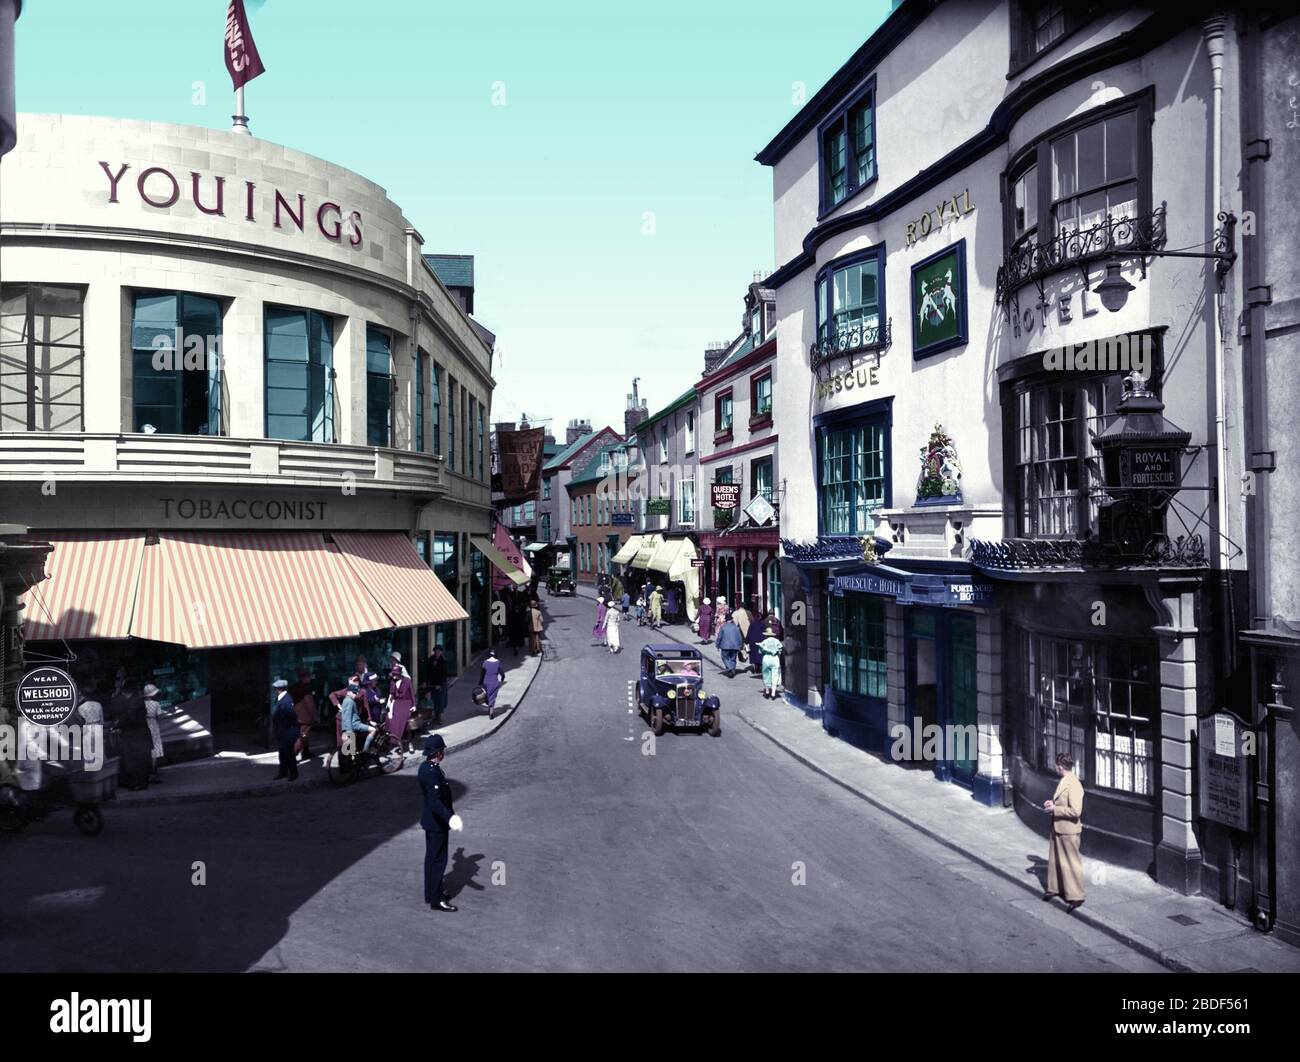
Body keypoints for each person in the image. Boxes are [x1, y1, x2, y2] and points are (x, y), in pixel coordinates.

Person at [419, 734, 463, 913]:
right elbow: (435, 801)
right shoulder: (431, 772)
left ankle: (431, 892)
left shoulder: (426, 767)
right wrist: (450, 818)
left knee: (431, 859)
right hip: (437, 824)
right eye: (442, 750)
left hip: (431, 822)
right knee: (438, 861)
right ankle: (436, 900)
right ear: (438, 753)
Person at [1043, 752, 1086, 911]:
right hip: (1058, 827)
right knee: (1055, 860)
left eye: (1056, 765)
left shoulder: (1074, 784)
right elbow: (1061, 801)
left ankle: (1077, 896)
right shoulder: (1064, 780)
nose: (1055, 767)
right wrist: (1051, 803)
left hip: (1069, 830)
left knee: (1071, 863)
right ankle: (1055, 888)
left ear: (1060, 766)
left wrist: (1055, 809)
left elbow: (1076, 811)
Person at [111, 671, 152, 791]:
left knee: (136, 760)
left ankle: (139, 783)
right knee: (139, 760)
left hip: (135, 736)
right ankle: (139, 782)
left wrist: (119, 724)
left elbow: (131, 718)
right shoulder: (136, 700)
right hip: (138, 735)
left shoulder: (135, 702)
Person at [333, 678, 376, 755]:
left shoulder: (350, 698)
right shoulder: (349, 700)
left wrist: (369, 719)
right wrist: (349, 731)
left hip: (351, 722)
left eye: (356, 693)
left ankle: (350, 760)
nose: (355, 694)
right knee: (373, 730)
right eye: (354, 692)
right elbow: (347, 717)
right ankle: (364, 752)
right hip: (351, 722)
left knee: (349, 748)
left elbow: (365, 706)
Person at [271, 678, 300, 781]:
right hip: (282, 732)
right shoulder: (281, 699)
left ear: (278, 689)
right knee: (282, 754)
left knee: (289, 754)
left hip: (287, 732)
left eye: (275, 689)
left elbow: (292, 717)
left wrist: (293, 733)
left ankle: (293, 774)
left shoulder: (286, 700)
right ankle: (282, 772)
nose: (274, 691)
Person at [387, 659, 416, 753]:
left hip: (406, 703)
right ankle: (397, 741)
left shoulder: (407, 681)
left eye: (396, 674)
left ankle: (409, 742)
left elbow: (412, 694)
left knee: (404, 720)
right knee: (392, 719)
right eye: (393, 674)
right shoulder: (392, 682)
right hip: (397, 703)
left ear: (400, 674)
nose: (394, 676)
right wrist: (389, 705)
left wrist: (414, 705)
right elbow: (392, 695)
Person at [290, 667, 317, 763]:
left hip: (296, 715)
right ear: (304, 678)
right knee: (302, 736)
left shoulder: (294, 687)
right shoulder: (306, 688)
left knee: (304, 736)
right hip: (304, 717)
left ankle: (306, 752)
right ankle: (292, 756)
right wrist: (314, 715)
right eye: (309, 676)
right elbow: (309, 703)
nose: (310, 678)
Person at [143, 683, 165, 783]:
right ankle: (153, 772)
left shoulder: (141, 704)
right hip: (153, 724)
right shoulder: (156, 704)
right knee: (155, 749)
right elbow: (159, 717)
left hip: (145, 726)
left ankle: (147, 772)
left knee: (146, 749)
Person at [757, 626, 784, 699]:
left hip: (766, 658)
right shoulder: (776, 641)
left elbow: (760, 651)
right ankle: (773, 692)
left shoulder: (764, 642)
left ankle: (767, 690)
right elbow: (780, 650)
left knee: (766, 674)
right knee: (775, 675)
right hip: (775, 658)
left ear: (766, 634)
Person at [424, 644, 448, 724]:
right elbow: (427, 672)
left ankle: (440, 717)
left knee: (440, 700)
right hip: (432, 683)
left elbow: (444, 674)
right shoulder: (430, 659)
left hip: (441, 684)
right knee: (433, 700)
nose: (437, 653)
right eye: (436, 651)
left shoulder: (443, 660)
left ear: (441, 652)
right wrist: (427, 682)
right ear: (434, 652)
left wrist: (439, 684)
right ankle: (434, 716)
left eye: (439, 651)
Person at [480, 649, 505, 716]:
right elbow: (501, 672)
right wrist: (502, 677)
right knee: (492, 696)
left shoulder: (485, 662)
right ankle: (491, 710)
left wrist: (480, 682)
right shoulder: (498, 662)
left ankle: (489, 708)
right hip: (494, 681)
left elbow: (482, 673)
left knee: (487, 695)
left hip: (485, 681)